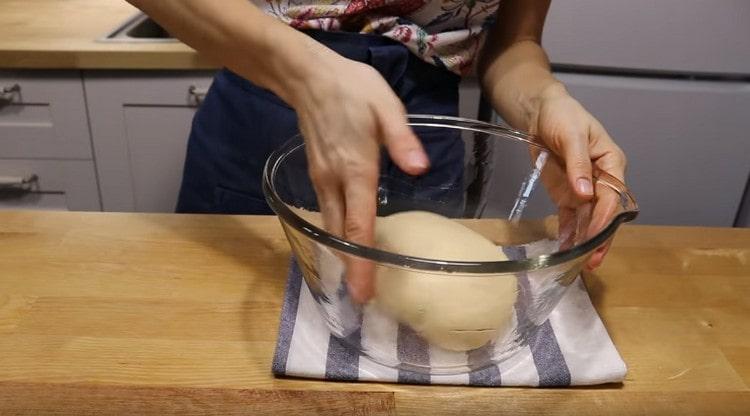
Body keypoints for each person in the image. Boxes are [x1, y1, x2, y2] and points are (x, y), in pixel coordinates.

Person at [127, 0, 627, 303]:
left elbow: (514, 40)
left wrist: (543, 100)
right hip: (267, 100)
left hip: (423, 132)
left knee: (417, 324)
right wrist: (304, 73)